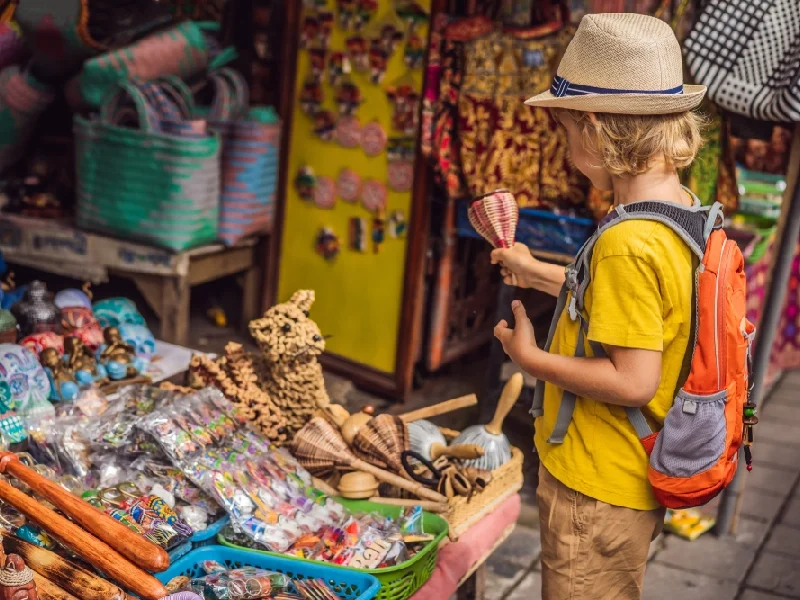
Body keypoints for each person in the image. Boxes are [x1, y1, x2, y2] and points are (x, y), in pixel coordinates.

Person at [491, 13, 707, 600]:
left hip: (597, 484)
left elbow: (634, 380)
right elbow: (636, 312)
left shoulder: (624, 243)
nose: (566, 144)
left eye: (564, 130)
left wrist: (530, 358)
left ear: (592, 129)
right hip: (629, 476)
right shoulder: (679, 211)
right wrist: (538, 273)